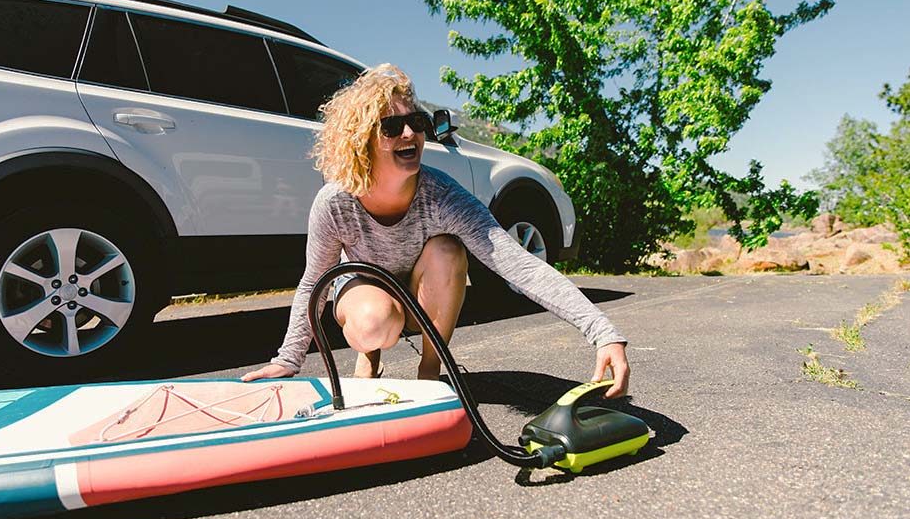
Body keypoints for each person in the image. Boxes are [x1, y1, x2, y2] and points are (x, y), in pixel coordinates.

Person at [243, 64, 630, 398]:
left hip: (421, 294)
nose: (410, 134)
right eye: (392, 127)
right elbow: (314, 284)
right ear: (363, 140)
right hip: (365, 293)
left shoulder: (442, 196)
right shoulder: (336, 202)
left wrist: (603, 331)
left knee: (448, 250)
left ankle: (431, 369)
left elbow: (519, 264)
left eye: (417, 123)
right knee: (374, 323)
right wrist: (287, 361)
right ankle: (369, 356)